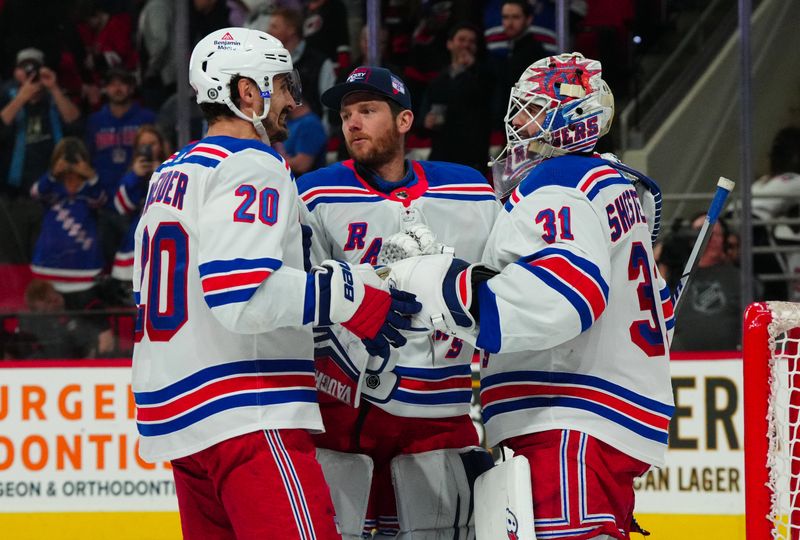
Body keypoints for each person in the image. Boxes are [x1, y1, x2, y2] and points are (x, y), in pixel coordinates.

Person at [131, 27, 419, 540]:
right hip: (247, 413)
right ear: (248, 93)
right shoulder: (251, 163)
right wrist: (352, 301)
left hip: (181, 418)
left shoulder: (172, 171)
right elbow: (238, 294)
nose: (290, 100)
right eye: (282, 85)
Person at [386, 53, 675, 539]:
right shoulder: (615, 187)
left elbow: (564, 295)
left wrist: (440, 283)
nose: (517, 120)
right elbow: (659, 304)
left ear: (572, 119)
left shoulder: (557, 183)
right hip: (604, 419)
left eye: (533, 109)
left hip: (567, 413)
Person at [297, 66, 500, 539]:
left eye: (367, 111)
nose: (352, 123)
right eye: (347, 114)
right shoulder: (317, 193)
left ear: (405, 120)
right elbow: (307, 299)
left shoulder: (470, 191)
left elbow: (504, 285)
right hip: (347, 421)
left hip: (442, 417)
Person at [29, 137, 107, 306]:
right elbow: (35, 193)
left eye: (75, 158)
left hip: (84, 269)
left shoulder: (90, 187)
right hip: (48, 269)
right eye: (66, 158)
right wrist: (52, 175)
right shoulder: (51, 186)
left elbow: (101, 200)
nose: (71, 164)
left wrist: (91, 176)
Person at [421, 22, 492, 173]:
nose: (466, 44)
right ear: (449, 44)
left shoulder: (486, 76)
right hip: (441, 156)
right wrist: (426, 120)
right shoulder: (438, 79)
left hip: (472, 159)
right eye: (462, 39)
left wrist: (470, 71)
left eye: (471, 41)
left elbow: (490, 106)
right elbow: (424, 111)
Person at [671, 214, 742, 351]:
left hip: (728, 361)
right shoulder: (675, 273)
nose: (710, 239)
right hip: (681, 362)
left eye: (716, 234)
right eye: (702, 232)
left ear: (725, 240)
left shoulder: (737, 276)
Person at [268, 7, 336, 119]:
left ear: (291, 30)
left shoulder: (320, 63)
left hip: (311, 132)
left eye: (274, 27)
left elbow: (329, 107)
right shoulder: (267, 61)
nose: (268, 31)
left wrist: (322, 134)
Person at [280, 101, 328, 175]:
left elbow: (302, 164)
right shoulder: (288, 122)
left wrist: (271, 162)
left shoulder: (310, 123)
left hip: (304, 183)